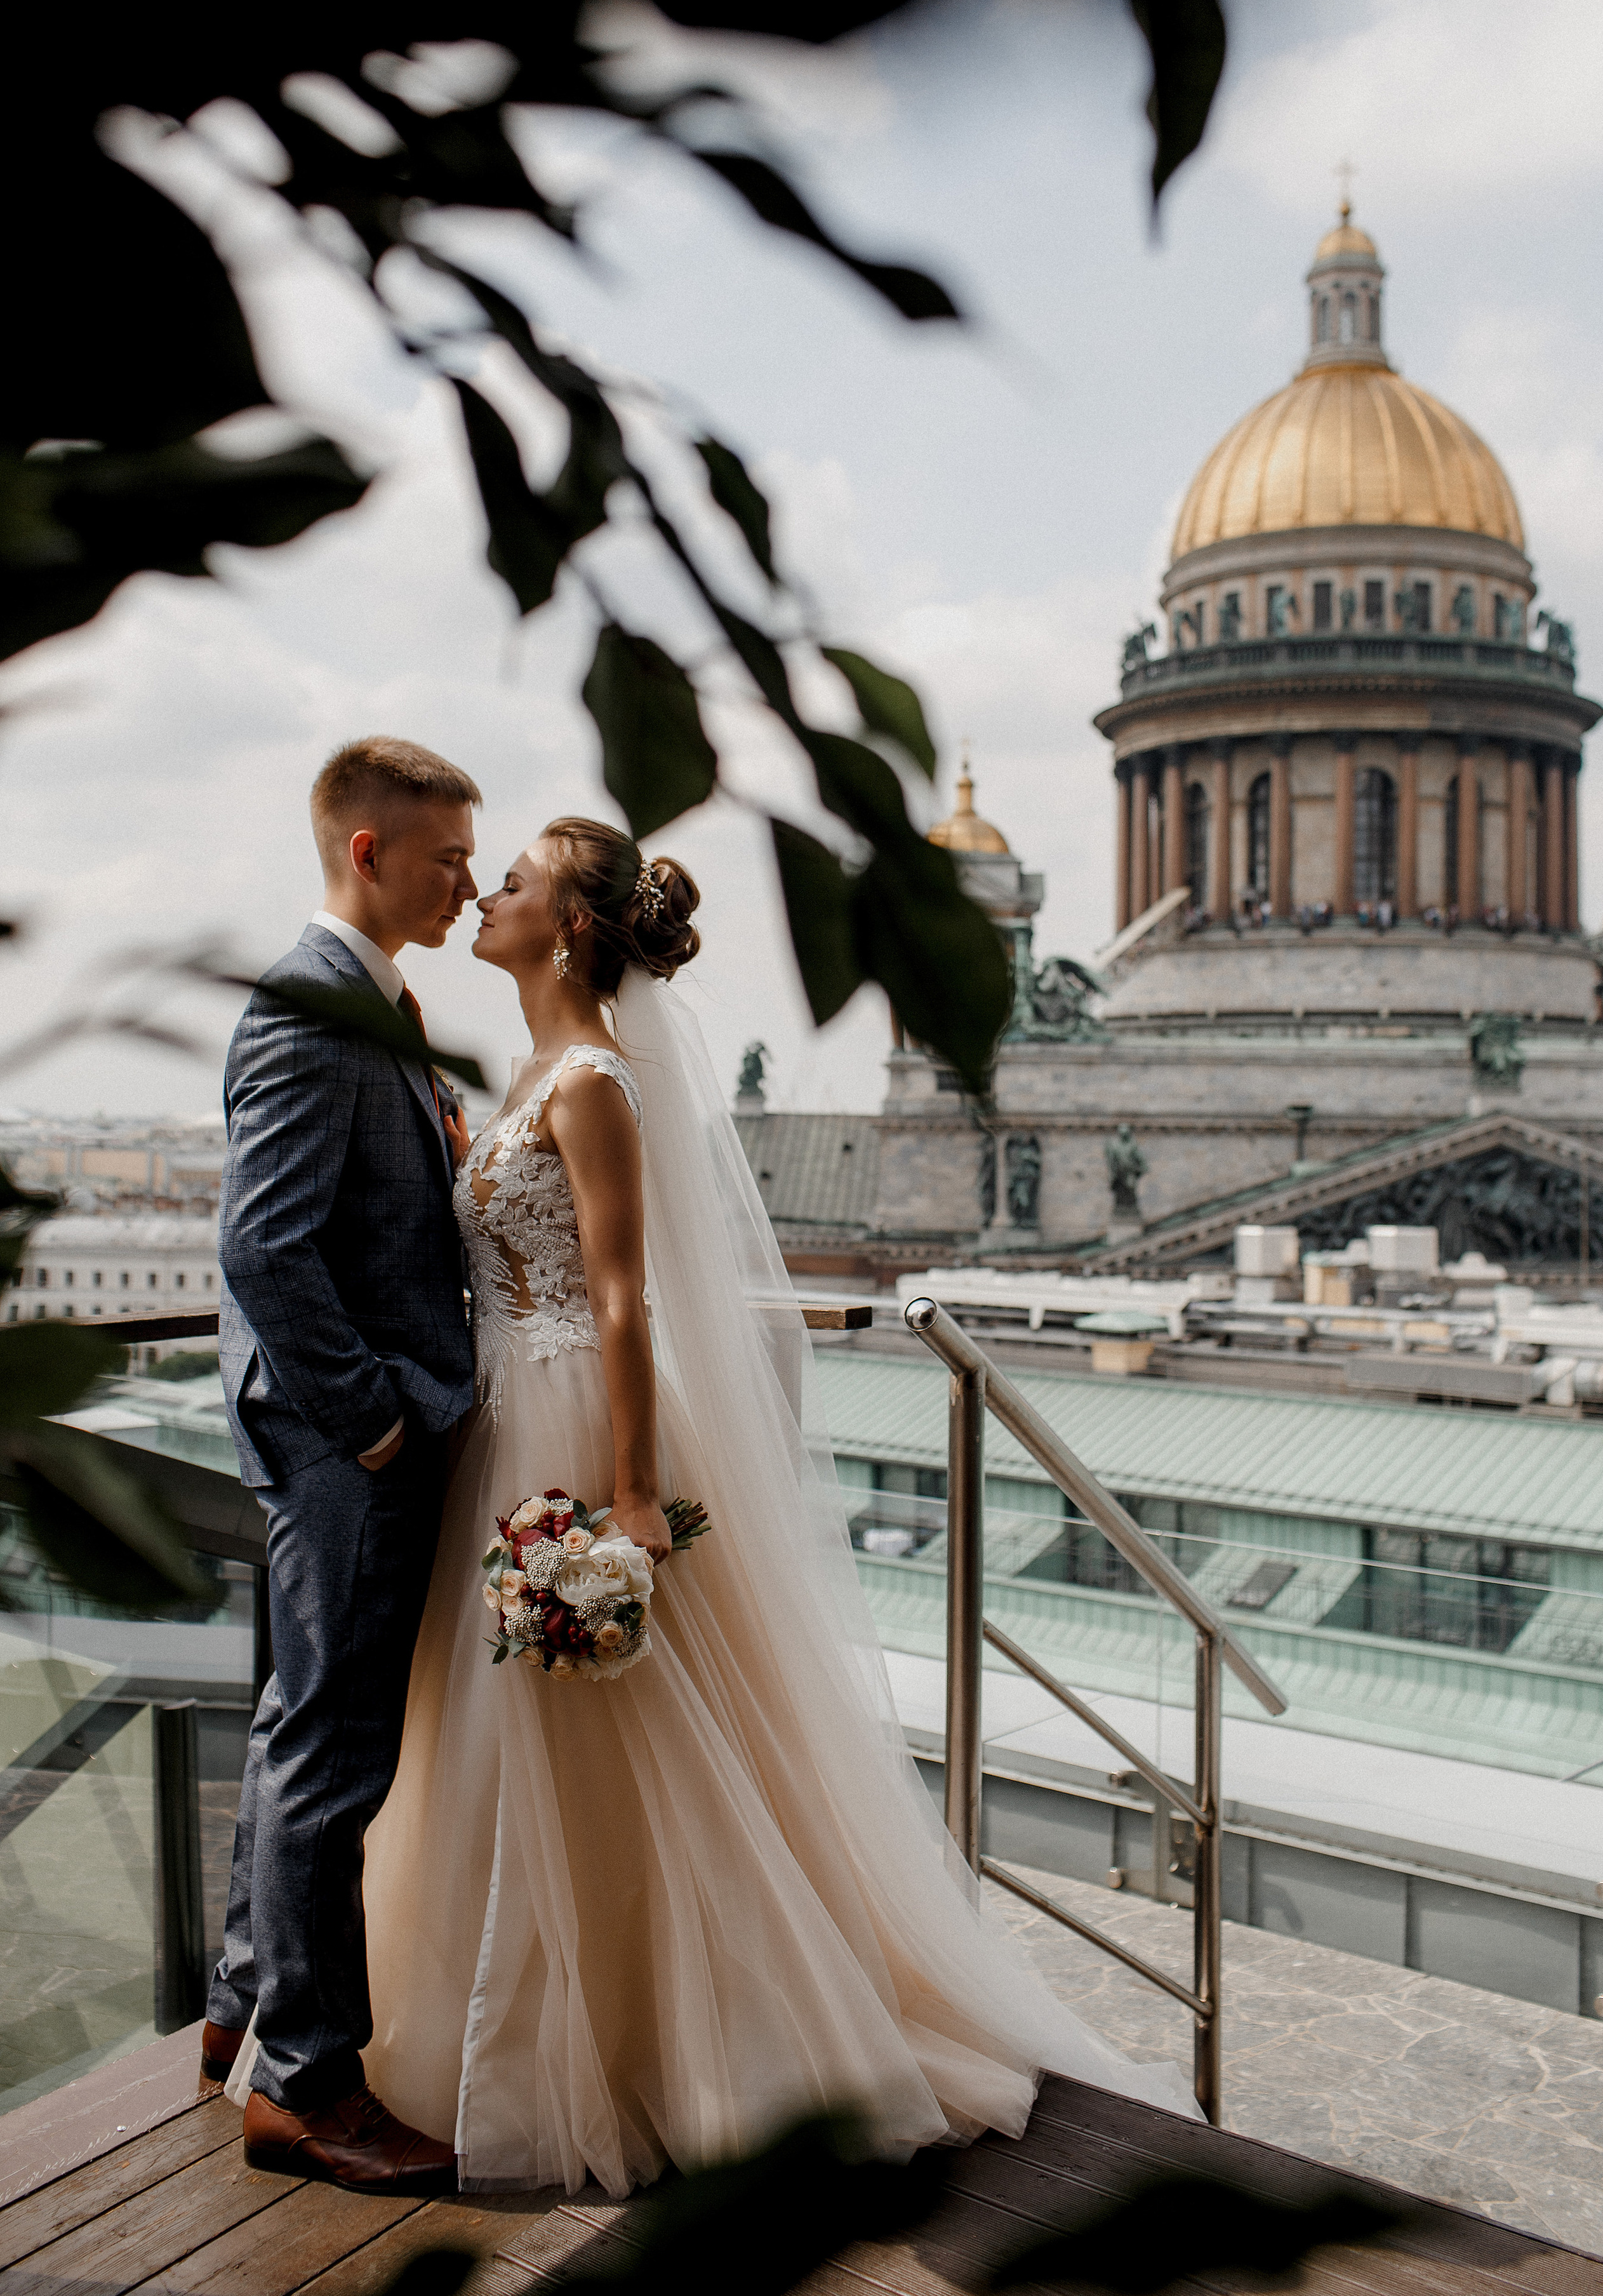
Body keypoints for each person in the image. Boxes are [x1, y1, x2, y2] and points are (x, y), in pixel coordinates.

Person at [225, 814, 1195, 2191]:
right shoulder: (533, 1072)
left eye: (513, 882)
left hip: (561, 1423)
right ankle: (465, 2025)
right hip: (498, 1418)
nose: (485, 892)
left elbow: (623, 1300)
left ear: (568, 927)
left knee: (584, 1733)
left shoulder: (590, 1085)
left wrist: (629, 1493)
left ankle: (622, 2034)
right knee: (503, 1733)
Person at [206, 737, 481, 2193]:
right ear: (369, 853)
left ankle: (241, 2004)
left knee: (293, 1724)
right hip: (344, 1444)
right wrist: (372, 1422)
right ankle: (308, 2091)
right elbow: (266, 1245)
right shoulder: (314, 1009)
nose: (468, 886)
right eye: (448, 860)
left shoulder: (369, 1002)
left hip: (340, 1434)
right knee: (333, 1754)